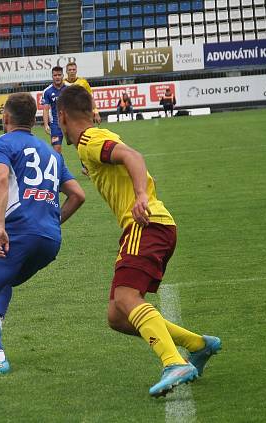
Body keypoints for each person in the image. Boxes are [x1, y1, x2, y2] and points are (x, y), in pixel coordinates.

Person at [57, 84, 221, 397]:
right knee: (117, 316)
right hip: (155, 225)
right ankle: (198, 345)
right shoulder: (94, 140)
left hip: (144, 225)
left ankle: (173, 361)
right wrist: (142, 189)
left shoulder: (91, 139)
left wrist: (141, 196)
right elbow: (139, 167)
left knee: (127, 298)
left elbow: (133, 156)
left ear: (62, 115)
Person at [0, 92, 85, 376]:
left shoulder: (1, 144)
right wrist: (52, 223)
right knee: (4, 281)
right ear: (33, 120)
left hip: (18, 231)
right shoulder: (52, 155)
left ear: (5, 117)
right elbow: (78, 195)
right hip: (50, 241)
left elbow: (1, 178)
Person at [41, 66, 67, 154]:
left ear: (63, 75)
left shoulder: (69, 89)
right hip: (55, 124)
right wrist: (46, 124)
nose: (57, 77)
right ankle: (59, 167)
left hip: (69, 122)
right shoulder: (47, 91)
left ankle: (85, 167)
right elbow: (45, 109)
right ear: (52, 77)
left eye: (59, 75)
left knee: (79, 145)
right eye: (55, 75)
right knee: (57, 148)